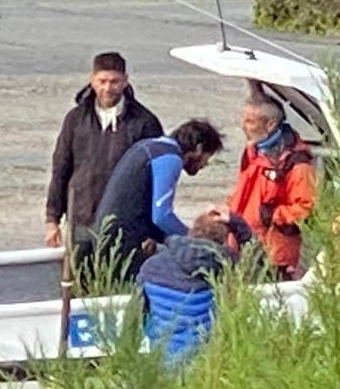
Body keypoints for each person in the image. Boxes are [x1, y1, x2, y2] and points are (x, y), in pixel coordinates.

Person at [80, 115, 224, 284]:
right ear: (199, 149)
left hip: (105, 233)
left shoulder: (148, 146)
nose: (205, 165)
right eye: (208, 157)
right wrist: (191, 240)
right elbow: (162, 216)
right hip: (123, 241)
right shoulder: (170, 158)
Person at [44, 52, 163, 251]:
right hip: (81, 219)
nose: (108, 88)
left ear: (125, 81)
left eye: (115, 81)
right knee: (79, 279)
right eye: (102, 81)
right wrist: (51, 219)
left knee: (116, 280)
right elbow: (60, 169)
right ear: (92, 80)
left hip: (124, 224)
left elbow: (154, 181)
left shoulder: (145, 122)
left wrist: (152, 231)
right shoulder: (75, 119)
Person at [202, 89, 321, 277]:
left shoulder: (296, 164)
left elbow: (306, 210)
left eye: (250, 121)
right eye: (244, 119)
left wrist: (272, 215)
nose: (243, 126)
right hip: (243, 247)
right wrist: (228, 212)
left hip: (273, 256)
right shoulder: (254, 152)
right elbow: (243, 193)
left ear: (271, 124)